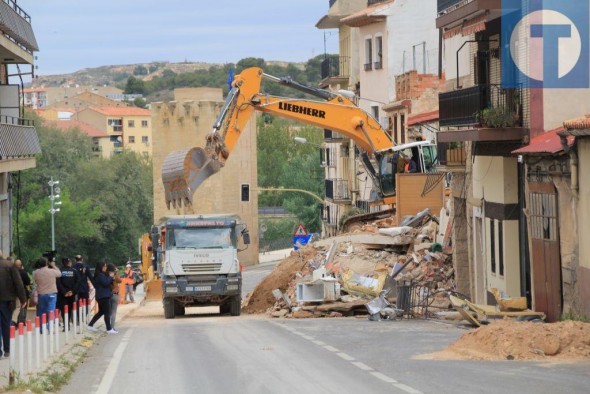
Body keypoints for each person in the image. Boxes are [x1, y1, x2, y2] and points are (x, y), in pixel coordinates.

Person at [0, 250, 26, 358]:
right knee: (6, 324)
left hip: (6, 300)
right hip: (7, 300)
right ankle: (7, 349)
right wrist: (23, 299)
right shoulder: (10, 265)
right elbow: (18, 283)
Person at [87, 262, 117, 334]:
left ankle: (90, 325)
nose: (106, 268)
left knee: (101, 312)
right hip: (103, 296)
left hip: (102, 296)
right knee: (107, 312)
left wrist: (111, 277)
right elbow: (105, 283)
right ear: (101, 267)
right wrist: (110, 277)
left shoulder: (101, 275)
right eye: (105, 266)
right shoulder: (100, 275)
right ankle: (109, 329)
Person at [33, 257, 61, 331]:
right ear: (46, 263)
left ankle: (41, 328)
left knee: (41, 311)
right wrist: (53, 266)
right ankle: (50, 327)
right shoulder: (52, 271)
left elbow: (35, 282)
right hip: (52, 293)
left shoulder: (36, 273)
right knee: (51, 310)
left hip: (41, 294)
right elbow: (59, 274)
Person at [57, 257, 79, 330]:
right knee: (69, 309)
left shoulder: (59, 271)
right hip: (71, 294)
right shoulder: (74, 271)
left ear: (62, 263)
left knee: (63, 309)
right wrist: (72, 291)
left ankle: (66, 325)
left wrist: (64, 292)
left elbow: (58, 283)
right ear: (69, 263)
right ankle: (67, 324)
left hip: (62, 294)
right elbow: (77, 283)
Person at [12, 259, 31, 325]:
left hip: (14, 292)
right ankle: (22, 321)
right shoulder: (23, 273)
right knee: (23, 306)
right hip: (23, 291)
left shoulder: (12, 272)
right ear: (21, 265)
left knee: (16, 307)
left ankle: (15, 321)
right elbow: (28, 282)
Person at [107, 263, 122, 331]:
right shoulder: (114, 275)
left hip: (108, 295)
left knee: (108, 312)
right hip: (115, 294)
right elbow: (120, 280)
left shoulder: (105, 275)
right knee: (113, 312)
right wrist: (116, 273)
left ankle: (108, 327)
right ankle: (112, 327)